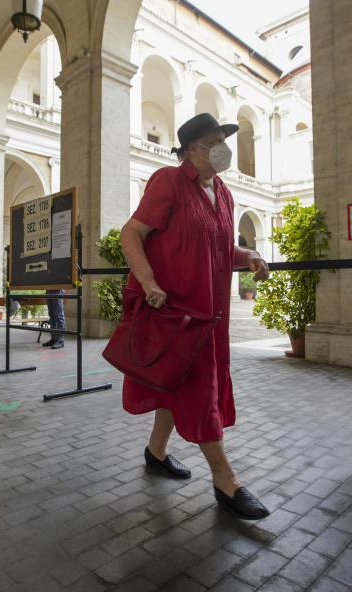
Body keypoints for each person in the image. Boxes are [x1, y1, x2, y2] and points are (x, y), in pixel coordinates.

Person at [119, 112, 271, 520]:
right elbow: (130, 234)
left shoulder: (223, 192)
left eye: (224, 139)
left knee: (176, 385)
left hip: (212, 314)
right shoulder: (168, 181)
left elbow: (218, 247)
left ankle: (156, 452)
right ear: (191, 150)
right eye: (213, 140)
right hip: (176, 313)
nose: (221, 146)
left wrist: (249, 254)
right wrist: (149, 282)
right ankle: (226, 481)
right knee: (200, 391)